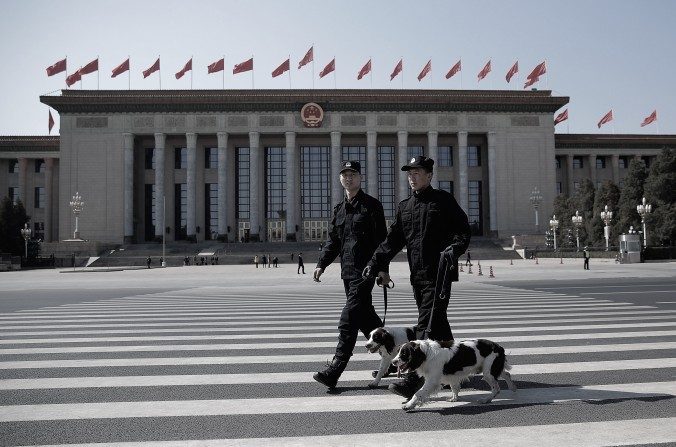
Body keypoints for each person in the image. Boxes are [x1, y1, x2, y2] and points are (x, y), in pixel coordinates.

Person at [363, 155, 471, 399]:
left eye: (417, 173)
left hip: (440, 274)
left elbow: (463, 230)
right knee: (439, 326)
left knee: (426, 325)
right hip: (418, 276)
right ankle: (457, 366)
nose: (412, 177)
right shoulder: (405, 207)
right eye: (409, 174)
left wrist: (454, 249)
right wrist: (375, 263)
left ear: (429, 175)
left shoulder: (443, 201)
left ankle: (412, 381)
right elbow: (392, 241)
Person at [312, 160, 388, 389]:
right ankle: (394, 358)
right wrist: (321, 264)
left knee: (348, 319)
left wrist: (383, 269)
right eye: (345, 175)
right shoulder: (339, 209)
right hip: (347, 271)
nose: (348, 178)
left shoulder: (372, 206)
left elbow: (381, 242)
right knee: (366, 319)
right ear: (340, 179)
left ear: (360, 178)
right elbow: (334, 241)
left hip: (365, 271)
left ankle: (336, 368)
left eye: (353, 174)